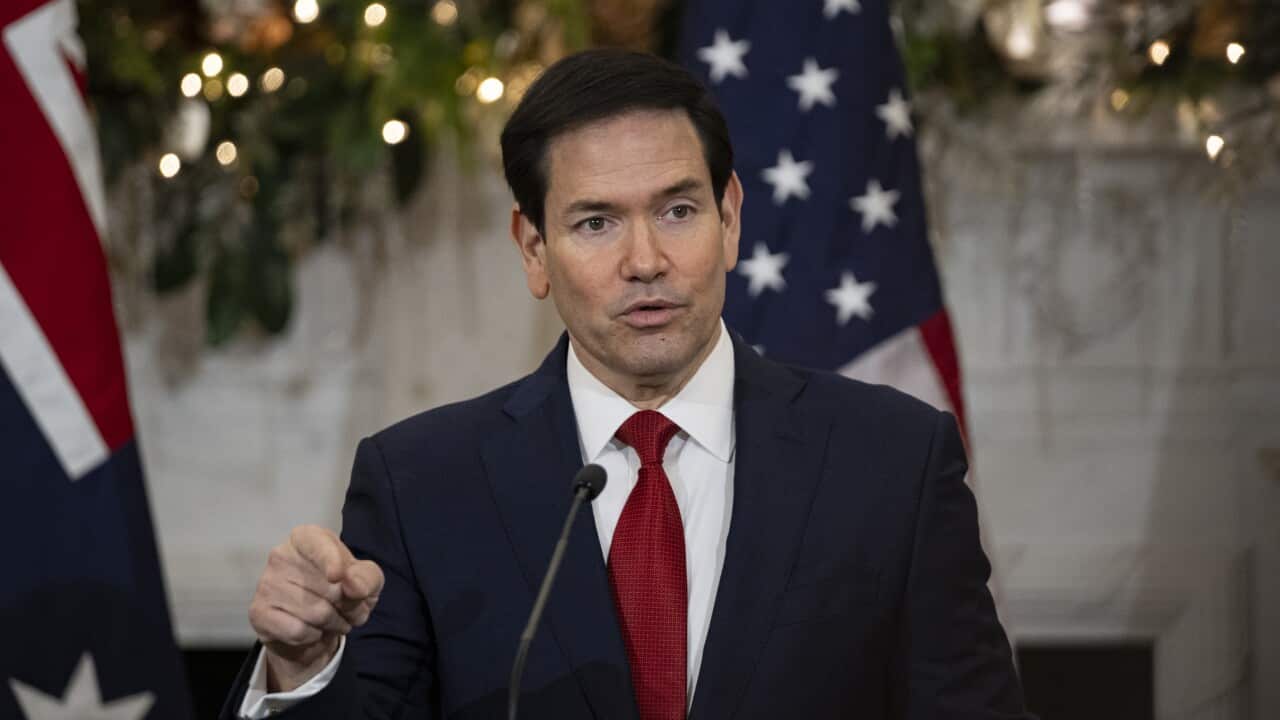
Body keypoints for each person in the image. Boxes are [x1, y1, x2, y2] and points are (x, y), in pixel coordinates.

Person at [220, 48, 1032, 719]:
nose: (645, 261)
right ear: (533, 249)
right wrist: (301, 668)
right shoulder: (422, 483)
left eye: (678, 211)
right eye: (596, 222)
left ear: (731, 219)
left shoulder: (893, 461)